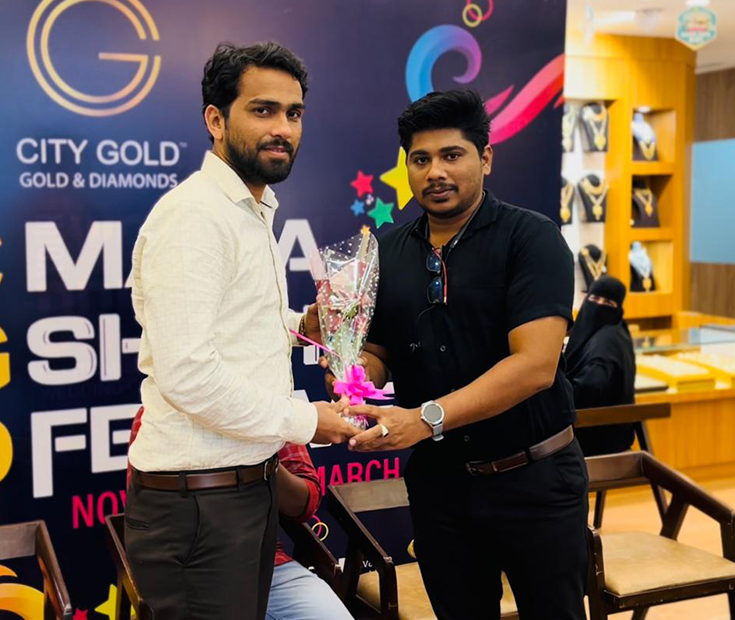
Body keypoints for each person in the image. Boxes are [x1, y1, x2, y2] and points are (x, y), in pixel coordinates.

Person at [332, 89, 588, 620]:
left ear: (485, 157)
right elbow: (378, 351)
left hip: (534, 479)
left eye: (452, 155)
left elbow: (535, 366)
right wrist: (349, 368)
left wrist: (426, 419)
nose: (435, 173)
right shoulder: (387, 250)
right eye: (420, 159)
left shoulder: (532, 238)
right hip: (440, 487)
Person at [126, 42, 358, 620]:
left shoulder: (248, 211)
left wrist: (302, 325)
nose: (283, 128)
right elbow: (189, 374)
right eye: (263, 110)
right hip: (200, 504)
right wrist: (309, 421)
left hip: (242, 493)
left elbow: (234, 326)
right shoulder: (195, 216)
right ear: (215, 119)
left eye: (294, 113)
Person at [126, 409, 353, 620]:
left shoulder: (275, 409)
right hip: (190, 569)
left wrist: (262, 459)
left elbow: (306, 503)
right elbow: (148, 514)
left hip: (269, 567)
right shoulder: (160, 415)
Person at [566, 276, 636, 456]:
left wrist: (560, 400)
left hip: (596, 442)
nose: (599, 306)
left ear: (618, 308)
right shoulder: (616, 332)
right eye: (595, 298)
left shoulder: (605, 343)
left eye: (608, 303)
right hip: (611, 437)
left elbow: (591, 385)